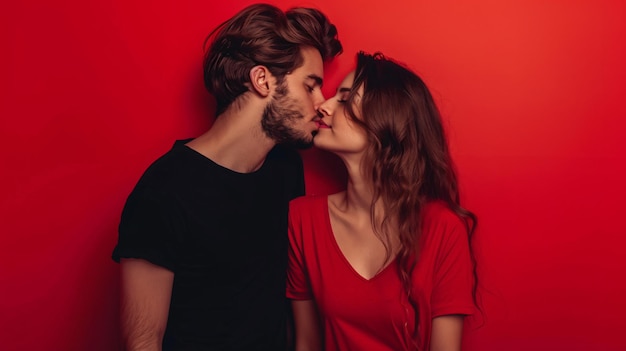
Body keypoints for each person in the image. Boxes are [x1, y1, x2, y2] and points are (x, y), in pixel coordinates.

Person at [111, 3, 342, 350]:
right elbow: (143, 340)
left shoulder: (285, 169)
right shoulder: (164, 190)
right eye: (310, 86)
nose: (321, 103)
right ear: (262, 80)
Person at [287, 52, 478, 351]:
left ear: (387, 120)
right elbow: (307, 343)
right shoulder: (302, 219)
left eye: (345, 99)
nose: (323, 106)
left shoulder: (443, 228)